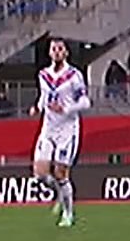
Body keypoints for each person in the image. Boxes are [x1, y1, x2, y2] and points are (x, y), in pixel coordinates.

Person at [30, 39, 90, 228]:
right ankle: (60, 194)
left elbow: (85, 102)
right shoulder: (43, 75)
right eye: (54, 49)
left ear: (66, 53)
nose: (56, 52)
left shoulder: (74, 76)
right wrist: (37, 108)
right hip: (48, 128)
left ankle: (68, 214)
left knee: (60, 173)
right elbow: (44, 97)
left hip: (67, 130)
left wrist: (66, 109)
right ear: (49, 53)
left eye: (60, 49)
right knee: (40, 174)